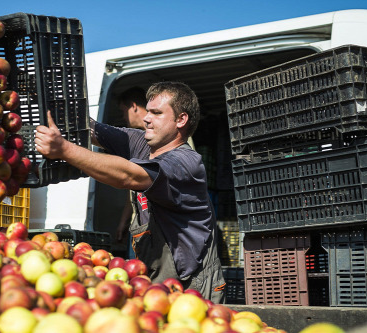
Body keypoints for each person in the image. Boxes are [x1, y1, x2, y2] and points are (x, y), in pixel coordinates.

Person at [35, 81, 225, 303]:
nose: (146, 118)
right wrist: (45, 99)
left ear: (181, 120)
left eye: (156, 113)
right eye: (148, 111)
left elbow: (130, 176)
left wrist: (64, 149)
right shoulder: (142, 144)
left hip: (192, 284)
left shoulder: (185, 162)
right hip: (158, 280)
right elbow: (90, 129)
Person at [116, 87, 148, 256]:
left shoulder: (166, 135)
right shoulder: (135, 141)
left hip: (157, 227)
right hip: (139, 225)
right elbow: (134, 187)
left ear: (134, 106)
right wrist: (124, 222)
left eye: (123, 111)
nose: (123, 117)